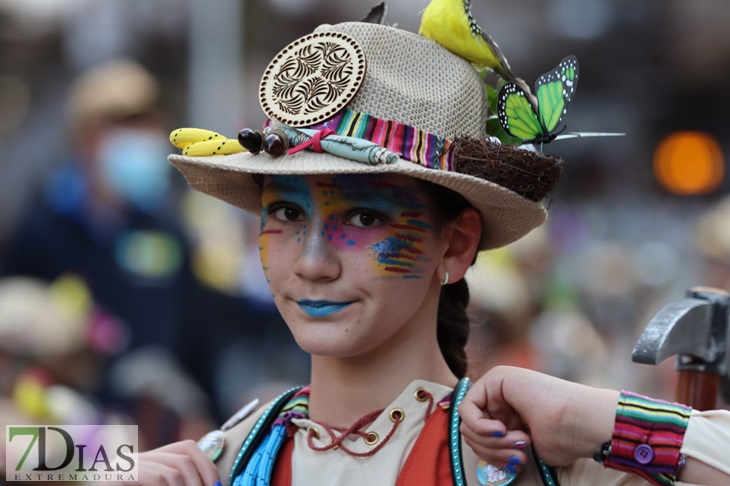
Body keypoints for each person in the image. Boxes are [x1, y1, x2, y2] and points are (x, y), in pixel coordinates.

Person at [124, 17, 730, 486]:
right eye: (286, 212)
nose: (312, 263)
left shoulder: (527, 458)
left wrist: (590, 419)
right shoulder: (229, 457)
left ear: (457, 245)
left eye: (364, 216)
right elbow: (31, 447)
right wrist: (103, 468)